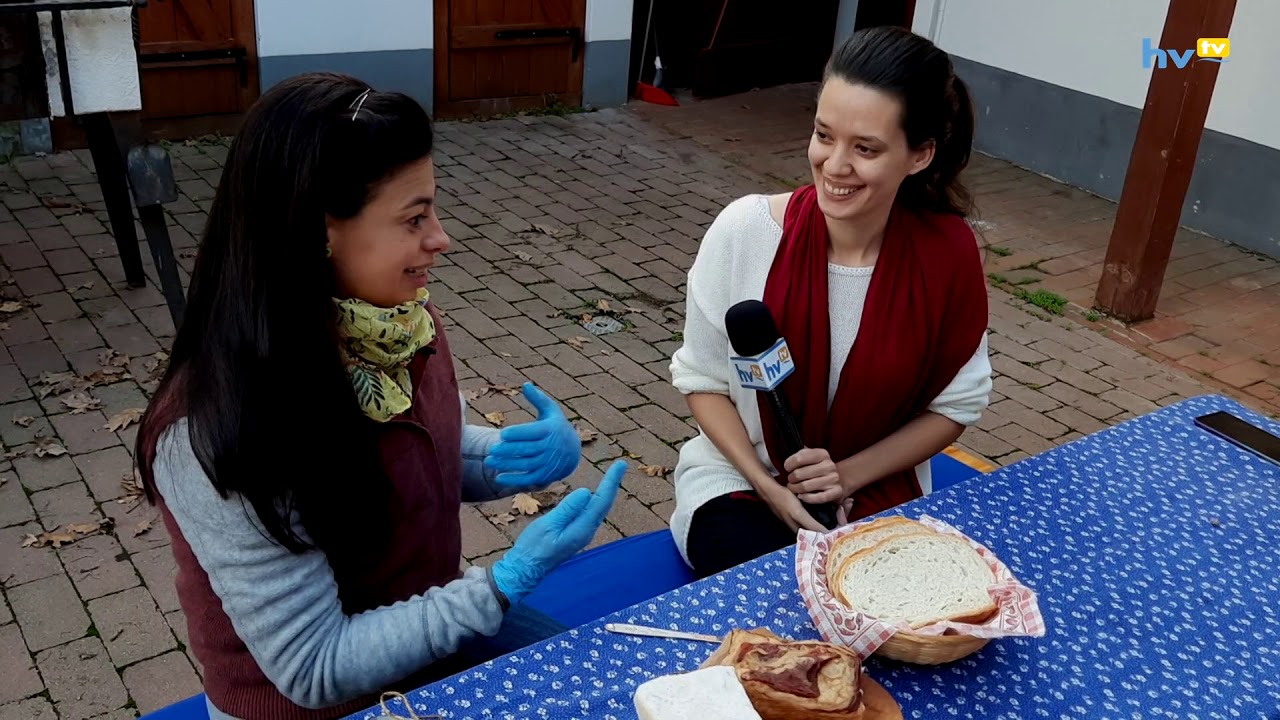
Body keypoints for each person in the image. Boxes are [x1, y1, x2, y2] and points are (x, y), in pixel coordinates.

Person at [135, 72, 625, 720]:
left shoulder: (396, 326)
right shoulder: (212, 430)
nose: (440, 238)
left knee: (618, 687)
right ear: (319, 229)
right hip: (320, 703)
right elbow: (314, 667)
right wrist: (502, 584)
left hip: (427, 637)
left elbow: (405, 457)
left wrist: (506, 457)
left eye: (433, 210)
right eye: (414, 218)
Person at [668, 26, 993, 578]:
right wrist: (770, 487)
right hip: (742, 483)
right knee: (775, 587)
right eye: (824, 135)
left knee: (891, 601)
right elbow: (702, 380)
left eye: (865, 148)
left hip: (876, 488)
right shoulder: (744, 232)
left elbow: (955, 406)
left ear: (919, 155)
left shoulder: (947, 256)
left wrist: (845, 477)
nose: (834, 165)